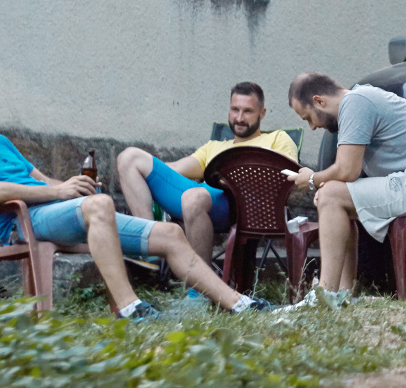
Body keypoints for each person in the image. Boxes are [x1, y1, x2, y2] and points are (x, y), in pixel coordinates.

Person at [0, 73, 268, 318]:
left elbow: (43, 180)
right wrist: (60, 192)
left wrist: (72, 187)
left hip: (54, 212)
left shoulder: (0, 143)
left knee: (170, 232)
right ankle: (129, 308)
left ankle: (239, 304)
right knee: (99, 206)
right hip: (19, 223)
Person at [284, 73, 406, 304]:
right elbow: (346, 176)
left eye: (309, 118)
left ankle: (325, 295)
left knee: (332, 195)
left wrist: (312, 178)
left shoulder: (356, 102)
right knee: (335, 198)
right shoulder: (360, 99)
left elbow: (347, 170)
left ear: (319, 101)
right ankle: (343, 295)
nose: (313, 127)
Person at [116, 82, 297, 268]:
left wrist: (237, 179)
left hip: (242, 208)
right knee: (129, 158)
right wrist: (148, 176)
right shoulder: (214, 147)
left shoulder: (277, 139)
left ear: (262, 113)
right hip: (199, 196)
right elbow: (175, 168)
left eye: (248, 111)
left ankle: (198, 289)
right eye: (235, 110)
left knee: (194, 197)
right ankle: (150, 249)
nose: (240, 118)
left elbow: (286, 178)